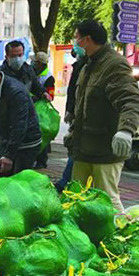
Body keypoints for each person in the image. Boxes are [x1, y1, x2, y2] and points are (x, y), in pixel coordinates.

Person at [65, 20, 139, 211]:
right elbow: (85, 105)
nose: (75, 43)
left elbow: (131, 100)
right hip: (82, 149)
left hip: (105, 150)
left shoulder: (114, 64)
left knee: (107, 202)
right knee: (76, 200)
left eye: (77, 38)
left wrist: (126, 130)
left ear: (87, 39)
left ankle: (119, 230)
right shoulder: (87, 65)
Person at [55, 49, 87, 192]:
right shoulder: (79, 65)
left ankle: (65, 182)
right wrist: (70, 110)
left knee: (76, 152)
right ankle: (66, 182)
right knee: (74, 151)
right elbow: (73, 91)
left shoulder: (92, 65)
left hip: (87, 123)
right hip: (78, 117)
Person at [31, 51, 55, 169]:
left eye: (35, 61)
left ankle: (41, 160)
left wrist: (35, 97)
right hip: (32, 107)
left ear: (40, 63)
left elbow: (51, 96)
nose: (33, 63)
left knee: (42, 134)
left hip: (41, 109)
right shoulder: (32, 73)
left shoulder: (48, 78)